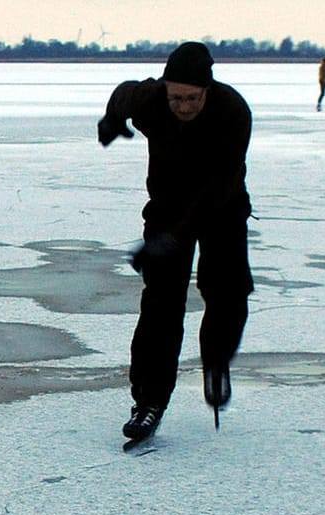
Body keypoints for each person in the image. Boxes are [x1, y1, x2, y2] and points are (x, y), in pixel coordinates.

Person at [97, 41, 254, 443]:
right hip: (167, 206)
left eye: (191, 98)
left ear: (208, 90)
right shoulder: (151, 99)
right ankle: (149, 402)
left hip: (223, 206)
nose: (182, 106)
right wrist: (112, 121)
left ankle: (216, 362)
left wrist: (172, 238)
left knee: (227, 292)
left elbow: (217, 190)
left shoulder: (233, 112)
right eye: (176, 97)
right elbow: (121, 95)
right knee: (162, 304)